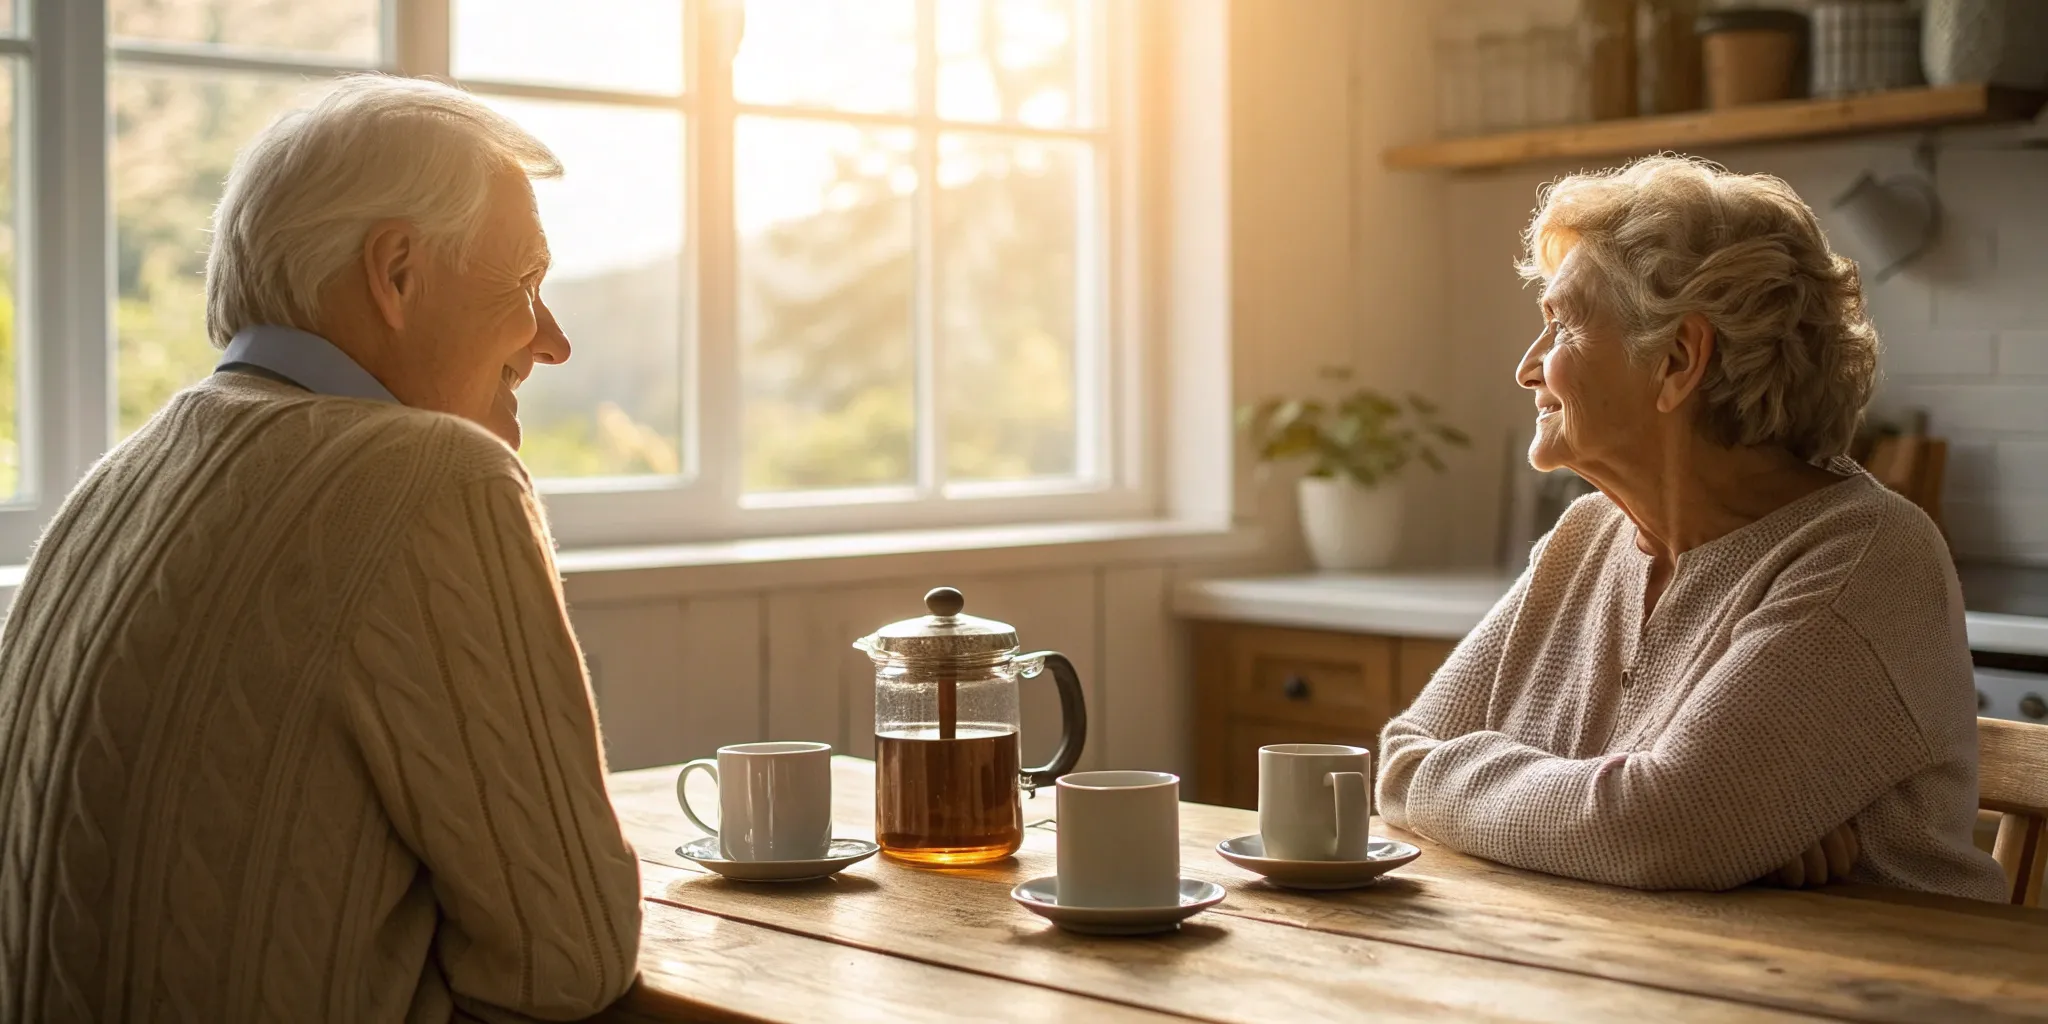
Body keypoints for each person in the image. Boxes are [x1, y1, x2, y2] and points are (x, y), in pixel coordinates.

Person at [0, 75, 644, 1022]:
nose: (551, 342)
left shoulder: (116, 484)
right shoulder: (435, 476)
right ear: (395, 272)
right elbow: (570, 958)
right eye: (525, 283)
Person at [1377, 156, 2007, 902]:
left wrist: (1677, 827)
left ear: (1678, 359)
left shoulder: (1864, 557)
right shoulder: (1586, 540)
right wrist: (1700, 833)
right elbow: (1400, 760)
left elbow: (1656, 829)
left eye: (1562, 326)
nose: (1529, 369)